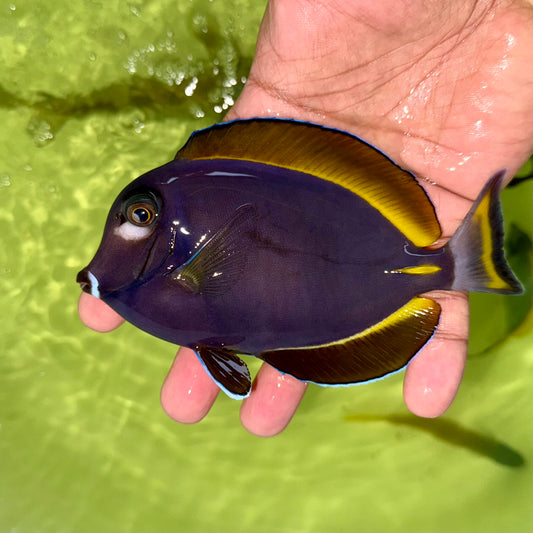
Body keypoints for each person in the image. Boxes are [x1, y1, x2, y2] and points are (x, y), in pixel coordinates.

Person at [78, 0, 533, 437]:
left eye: (141, 215)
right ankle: (461, 265)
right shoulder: (160, 258)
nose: (132, 225)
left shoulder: (175, 227)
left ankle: (460, 266)